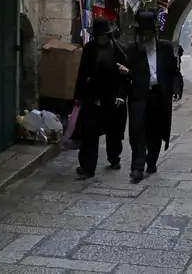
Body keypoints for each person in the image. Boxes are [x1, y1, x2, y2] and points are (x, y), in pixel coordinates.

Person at [73, 17, 129, 180]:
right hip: (93, 95)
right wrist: (78, 95)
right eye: (99, 36)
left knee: (114, 132)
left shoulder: (120, 50)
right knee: (89, 132)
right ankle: (87, 167)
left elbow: (125, 77)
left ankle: (114, 158)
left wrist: (121, 95)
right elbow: (82, 73)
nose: (101, 39)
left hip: (113, 97)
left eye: (104, 36)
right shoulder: (90, 49)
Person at [125, 10, 177, 182]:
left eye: (147, 33)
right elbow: (128, 71)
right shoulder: (132, 50)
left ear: (153, 32)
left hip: (158, 95)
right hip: (139, 96)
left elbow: (173, 71)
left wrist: (176, 88)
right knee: (137, 129)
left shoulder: (165, 48)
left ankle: (152, 160)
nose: (144, 36)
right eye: (142, 33)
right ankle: (137, 167)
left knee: (155, 131)